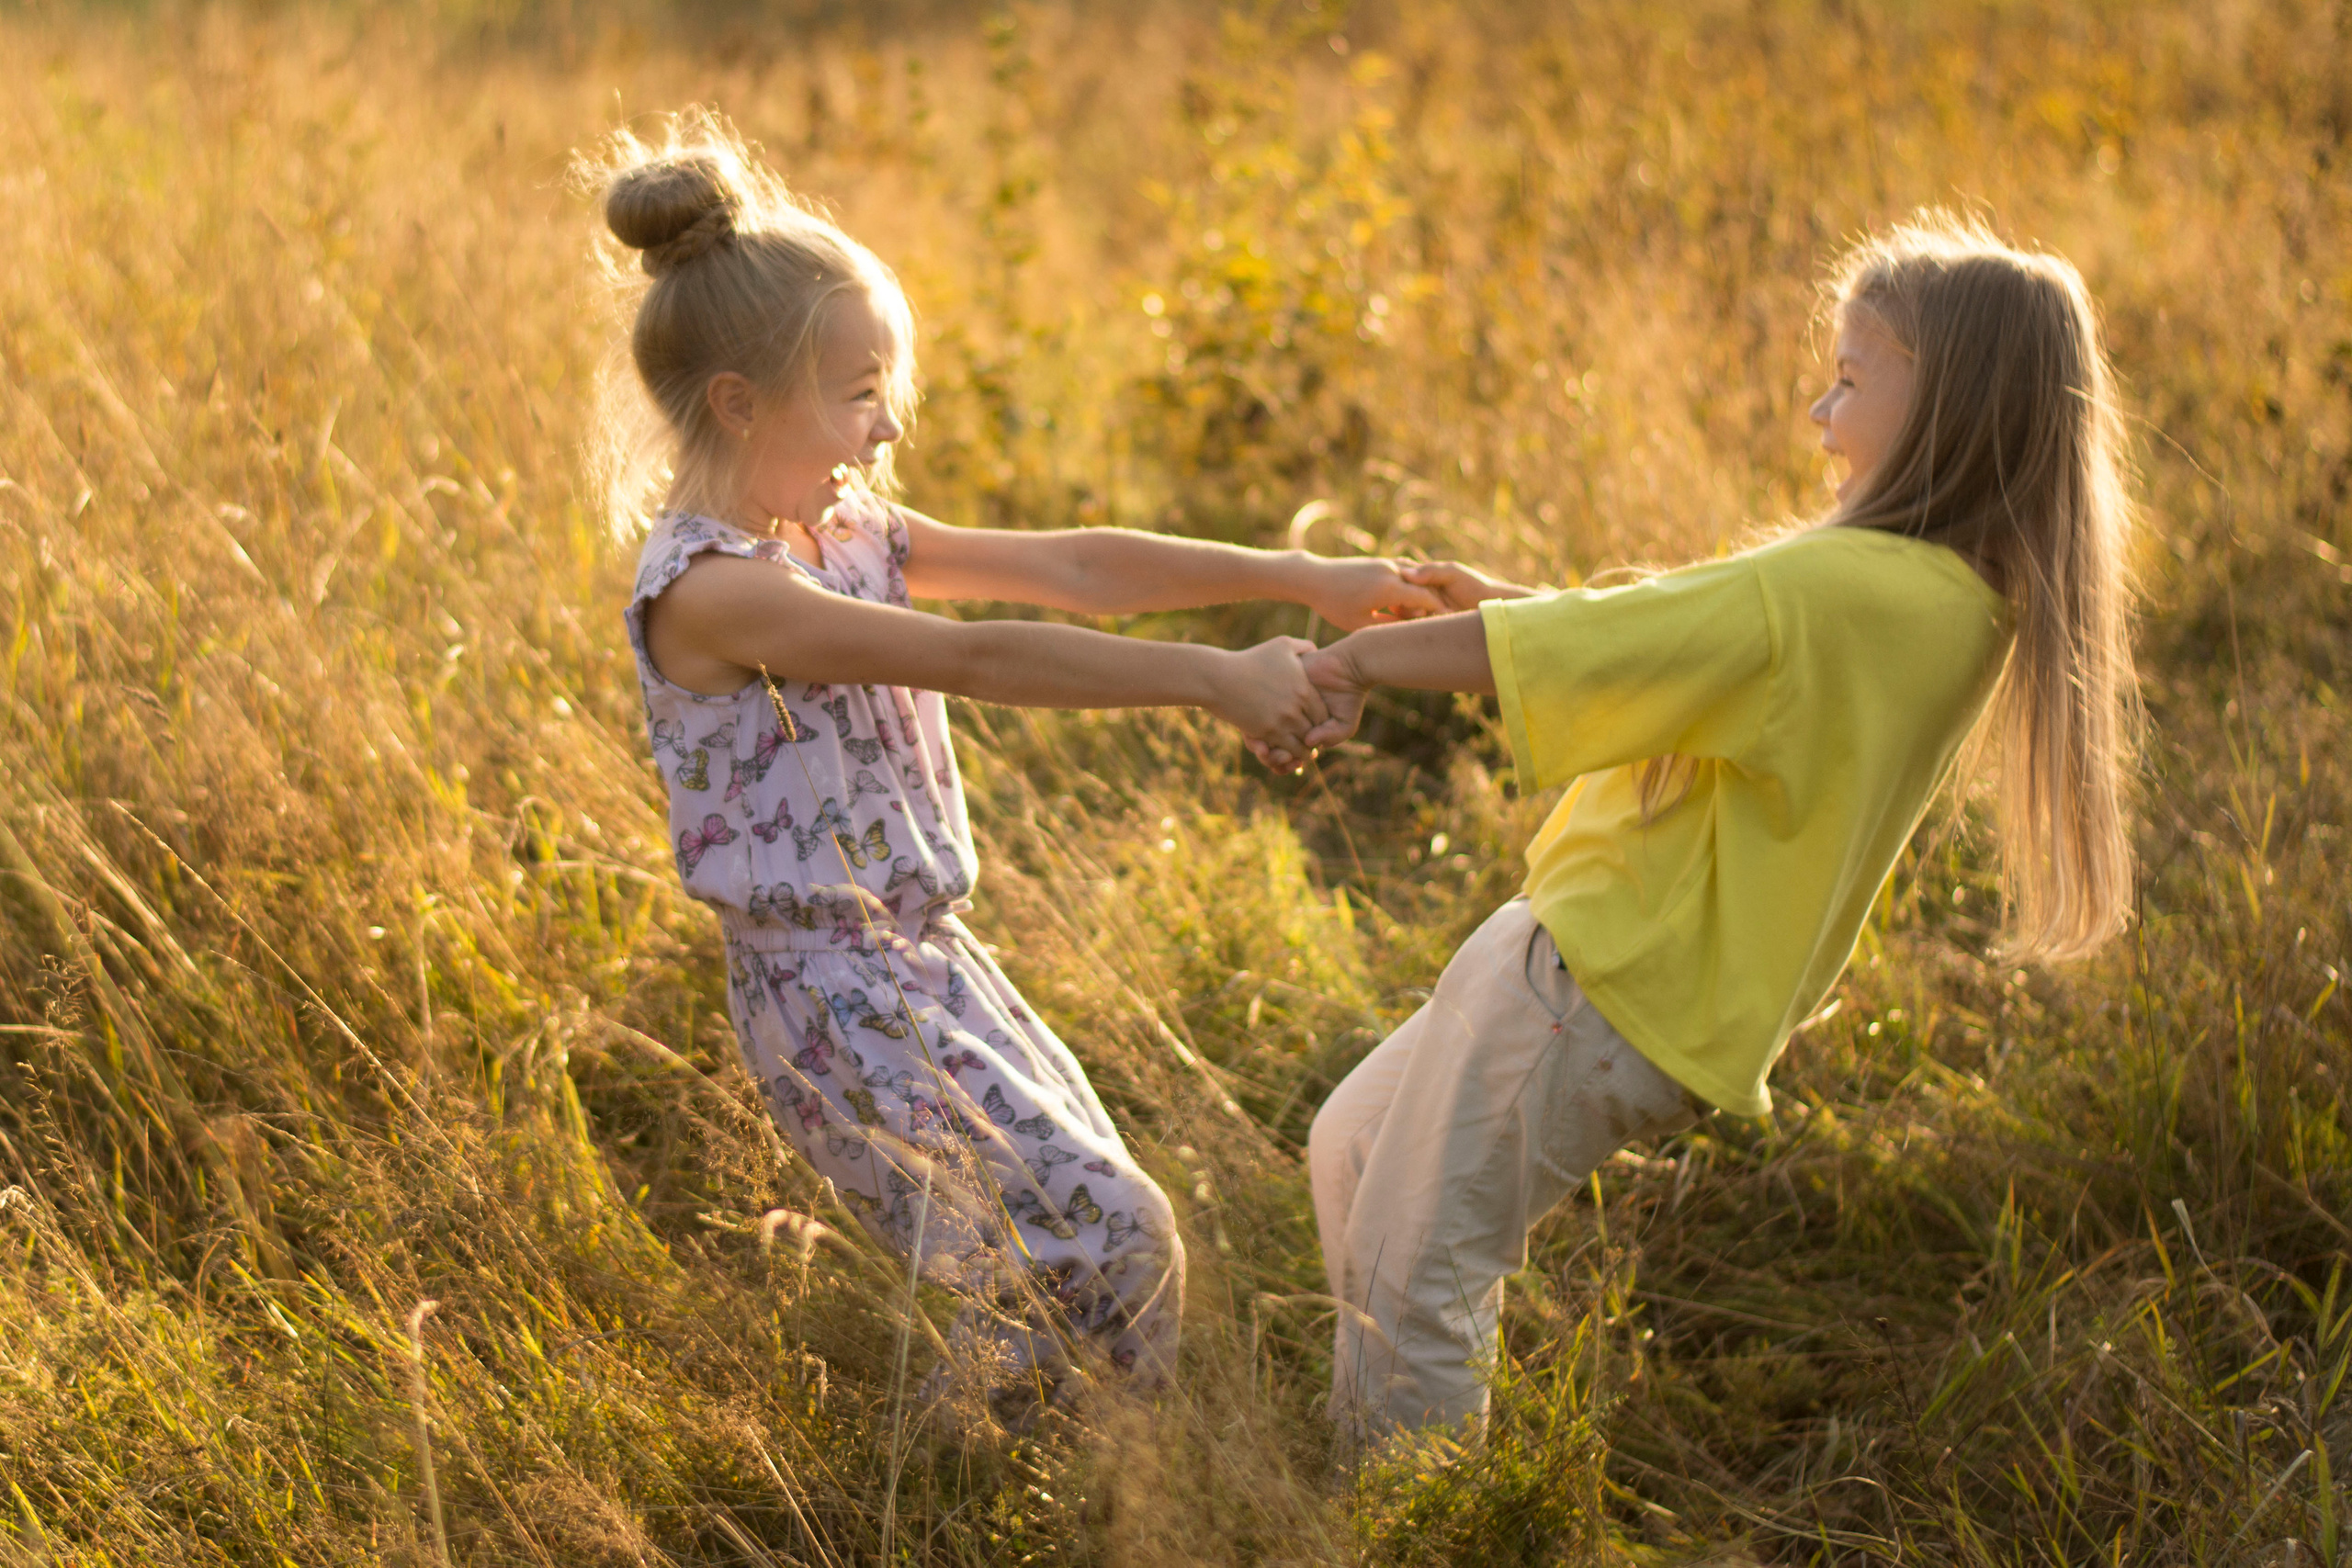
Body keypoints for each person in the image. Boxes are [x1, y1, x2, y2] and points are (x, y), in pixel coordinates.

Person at [588, 111, 1444, 1413]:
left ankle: (1031, 1496)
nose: (885, 428)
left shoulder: (846, 530)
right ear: (738, 402)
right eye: (860, 392)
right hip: (830, 998)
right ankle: (1057, 1504)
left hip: (931, 965)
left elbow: (1074, 566)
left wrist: (1304, 578)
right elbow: (976, 657)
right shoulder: (714, 592)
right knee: (1106, 1243)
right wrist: (1214, 681)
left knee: (1057, 1280)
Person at [1298, 212, 2141, 1444]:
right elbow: (1681, 655)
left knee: (1415, 1276)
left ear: (1951, 404)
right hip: (1604, 988)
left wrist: (1353, 660)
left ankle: (1395, 1521)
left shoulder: (1841, 590)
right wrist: (1514, 605)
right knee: (1357, 1149)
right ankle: (1385, 1466)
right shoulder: (1942, 603)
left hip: (1588, 985)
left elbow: (1629, 646)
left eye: (1851, 380)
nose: (1820, 411)